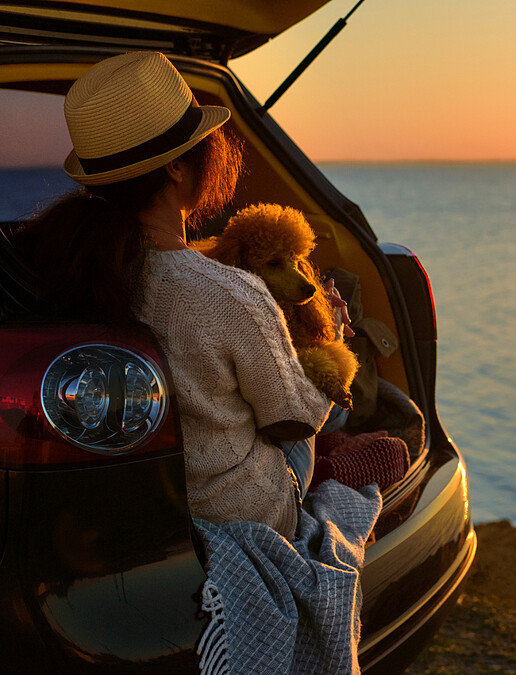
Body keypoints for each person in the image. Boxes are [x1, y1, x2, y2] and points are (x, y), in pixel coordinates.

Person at [18, 51, 349, 537]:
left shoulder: (67, 266)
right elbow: (295, 420)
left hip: (132, 505)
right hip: (231, 512)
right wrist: (334, 338)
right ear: (176, 167)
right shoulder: (231, 294)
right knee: (329, 419)